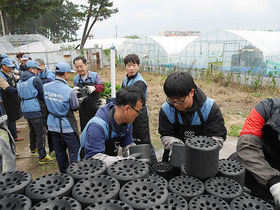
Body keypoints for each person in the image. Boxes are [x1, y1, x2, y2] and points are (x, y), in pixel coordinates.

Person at [159, 72, 227, 161]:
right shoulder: (166, 109)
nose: (176, 104)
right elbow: (165, 135)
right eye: (171, 100)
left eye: (180, 100)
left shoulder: (209, 108)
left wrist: (200, 149)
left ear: (191, 92)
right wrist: (180, 147)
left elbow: (218, 137)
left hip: (203, 158)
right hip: (175, 155)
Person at [79, 86, 144, 167]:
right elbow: (94, 159)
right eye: (138, 112)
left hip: (110, 165)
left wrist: (136, 157)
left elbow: (128, 146)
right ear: (126, 109)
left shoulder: (127, 123)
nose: (137, 115)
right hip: (89, 168)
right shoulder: (97, 126)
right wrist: (124, 161)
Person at [235, 98, 280, 207]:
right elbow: (247, 146)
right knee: (235, 162)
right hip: (262, 167)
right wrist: (274, 181)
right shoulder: (264, 109)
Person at [43, 62, 80, 173]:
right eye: (69, 73)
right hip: (67, 126)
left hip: (53, 125)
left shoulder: (45, 87)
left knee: (59, 152)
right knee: (74, 151)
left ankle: (64, 174)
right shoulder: (69, 91)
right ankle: (74, 173)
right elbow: (74, 107)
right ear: (66, 74)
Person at [121, 54, 157, 163]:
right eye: (128, 65)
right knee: (131, 140)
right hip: (129, 113)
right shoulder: (125, 80)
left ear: (138, 66)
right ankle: (136, 164)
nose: (131, 68)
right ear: (125, 66)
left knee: (144, 143)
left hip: (139, 115)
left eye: (134, 65)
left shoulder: (140, 82)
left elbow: (131, 100)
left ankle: (153, 165)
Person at [17, 60, 54, 164]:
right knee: (41, 132)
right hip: (35, 108)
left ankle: (33, 149)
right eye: (36, 69)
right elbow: (42, 93)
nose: (37, 71)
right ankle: (42, 157)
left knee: (32, 129)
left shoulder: (20, 80)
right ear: (31, 69)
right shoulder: (35, 79)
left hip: (25, 108)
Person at [73, 56, 105, 131]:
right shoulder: (76, 79)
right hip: (83, 109)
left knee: (96, 128)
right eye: (77, 67)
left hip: (95, 107)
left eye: (81, 66)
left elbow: (102, 87)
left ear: (86, 65)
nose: (79, 69)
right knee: (85, 128)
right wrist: (74, 92)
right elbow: (75, 96)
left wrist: (94, 88)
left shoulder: (94, 76)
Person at [0, 58, 23, 141]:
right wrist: (20, 89)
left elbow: (16, 78)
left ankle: (14, 130)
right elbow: (7, 88)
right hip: (4, 100)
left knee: (13, 115)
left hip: (11, 98)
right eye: (9, 67)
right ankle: (14, 136)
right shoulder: (1, 76)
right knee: (9, 117)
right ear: (3, 66)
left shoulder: (9, 72)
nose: (11, 68)